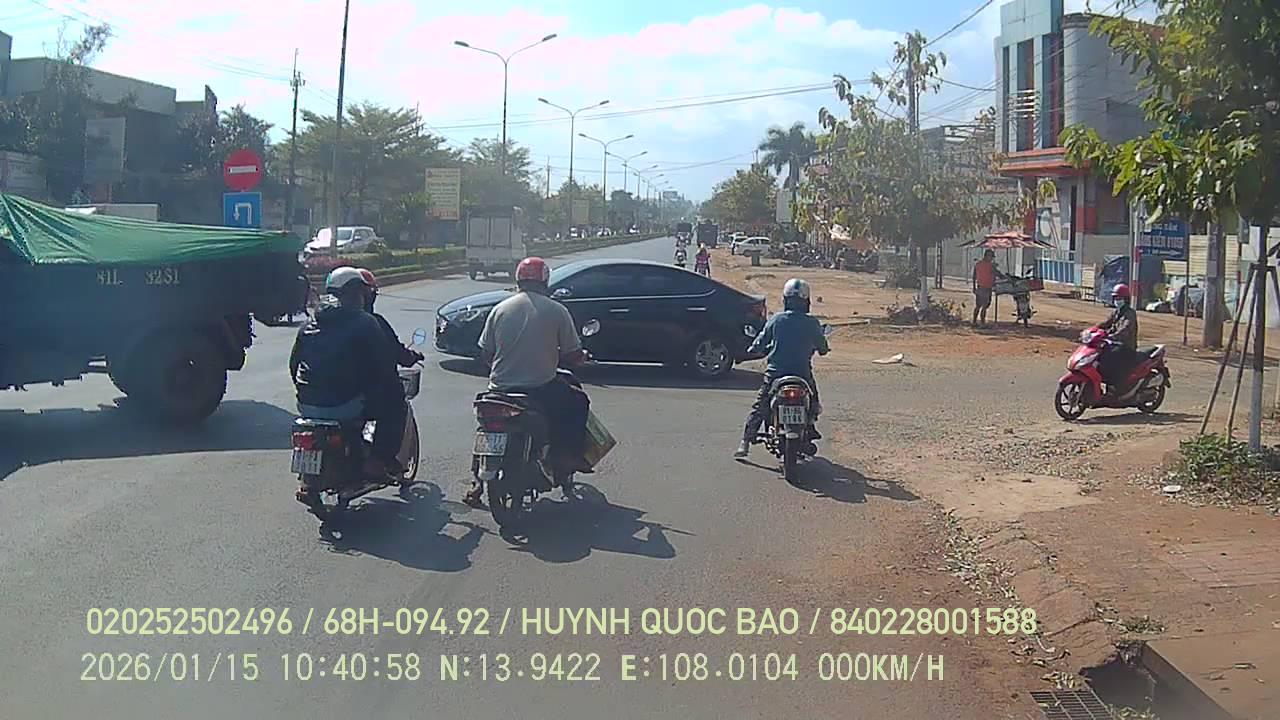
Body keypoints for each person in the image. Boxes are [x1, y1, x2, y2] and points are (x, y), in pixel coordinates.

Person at [467, 257, 591, 504]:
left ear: (518, 280)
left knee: (485, 426)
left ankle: (476, 483)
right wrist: (581, 357)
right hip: (539, 388)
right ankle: (567, 457)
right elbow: (572, 353)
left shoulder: (500, 309)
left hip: (499, 389)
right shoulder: (556, 310)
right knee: (578, 402)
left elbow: (486, 354)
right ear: (544, 281)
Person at [289, 266, 406, 480]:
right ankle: (377, 462)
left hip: (306, 404)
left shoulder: (309, 324)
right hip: (345, 405)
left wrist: (304, 391)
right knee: (396, 402)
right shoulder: (366, 322)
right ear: (355, 294)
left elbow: (293, 365)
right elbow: (385, 366)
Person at [735, 278, 829, 458]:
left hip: (775, 374)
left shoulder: (777, 319)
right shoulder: (812, 323)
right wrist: (821, 349)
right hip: (802, 374)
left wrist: (753, 349)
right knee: (814, 401)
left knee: (761, 405)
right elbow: (823, 348)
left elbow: (760, 342)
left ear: (785, 299)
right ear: (806, 301)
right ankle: (810, 426)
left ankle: (745, 441)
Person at [358, 268, 425, 368]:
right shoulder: (374, 322)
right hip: (374, 376)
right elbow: (399, 353)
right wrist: (414, 356)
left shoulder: (334, 320)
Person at [1098, 283, 1139, 394]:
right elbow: (1106, 323)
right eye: (1116, 298)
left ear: (1126, 299)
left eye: (1120, 298)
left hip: (1126, 347)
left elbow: (1125, 329)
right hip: (1115, 343)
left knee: (1110, 358)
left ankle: (1116, 387)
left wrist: (1112, 336)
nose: (1117, 300)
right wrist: (1094, 330)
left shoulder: (1130, 314)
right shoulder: (1116, 312)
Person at [972, 249, 997, 326]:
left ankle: (975, 321)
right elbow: (996, 273)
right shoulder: (990, 265)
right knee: (984, 306)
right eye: (991, 257)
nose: (992, 259)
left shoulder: (978, 264)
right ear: (987, 256)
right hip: (986, 288)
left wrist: (974, 287)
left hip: (980, 287)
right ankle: (982, 322)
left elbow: (974, 277)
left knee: (979, 306)